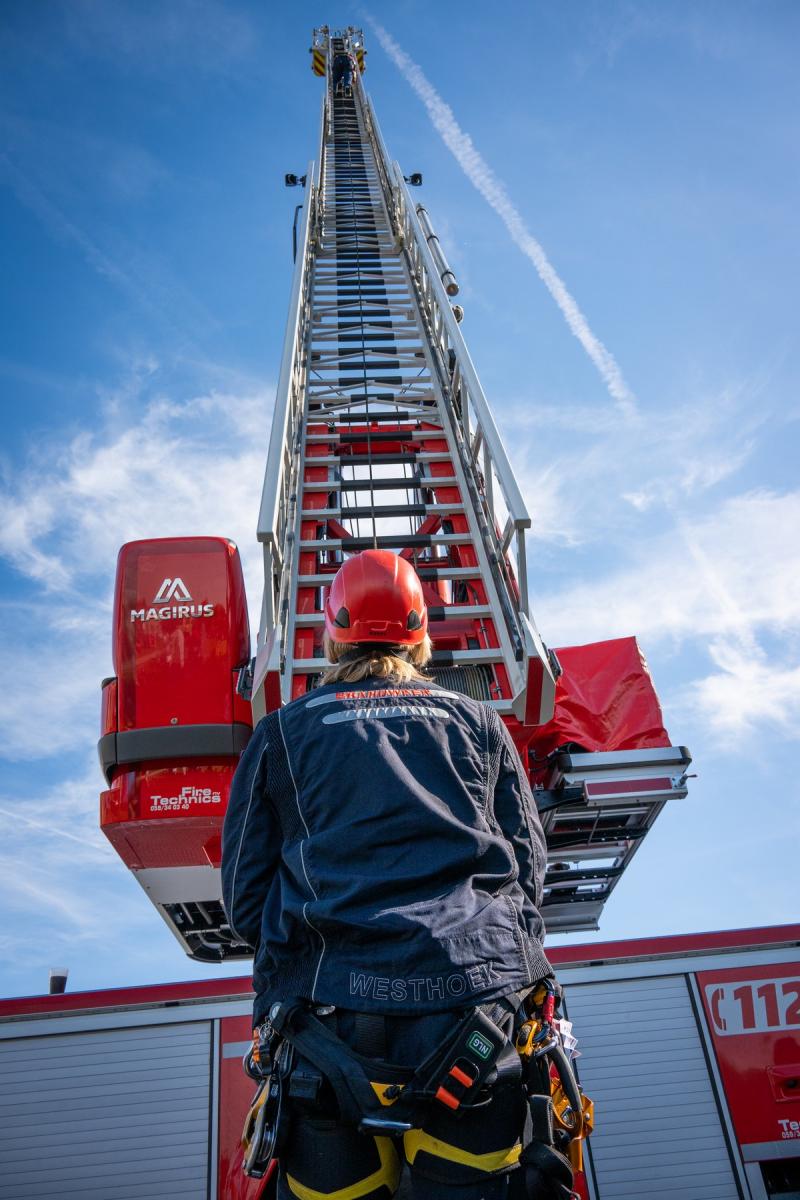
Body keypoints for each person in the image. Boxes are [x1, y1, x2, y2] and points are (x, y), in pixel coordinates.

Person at [222, 549, 572, 1199]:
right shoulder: (482, 724)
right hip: (475, 1024)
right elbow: (527, 875)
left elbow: (245, 903)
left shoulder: (278, 735)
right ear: (421, 638)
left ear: (331, 633)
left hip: (329, 1035)